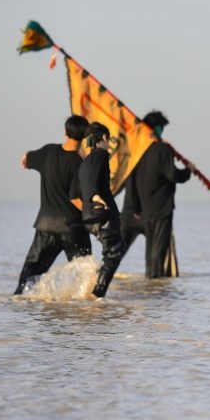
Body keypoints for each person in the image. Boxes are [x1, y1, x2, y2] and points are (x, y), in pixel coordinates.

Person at [14, 115, 91, 295]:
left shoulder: (48, 152)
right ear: (85, 136)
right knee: (85, 277)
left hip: (46, 227)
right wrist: (95, 215)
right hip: (73, 229)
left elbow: (26, 159)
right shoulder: (81, 163)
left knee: (28, 278)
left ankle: (19, 306)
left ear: (65, 132)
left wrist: (27, 158)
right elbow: (76, 200)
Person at [119, 110, 195, 279]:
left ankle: (99, 282)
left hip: (133, 210)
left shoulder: (135, 150)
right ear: (156, 128)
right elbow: (173, 175)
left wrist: (135, 208)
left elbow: (129, 179)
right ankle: (155, 289)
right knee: (156, 255)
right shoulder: (162, 149)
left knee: (117, 252)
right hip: (159, 211)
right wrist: (188, 170)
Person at [79, 122, 126, 298]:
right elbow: (92, 181)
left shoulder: (86, 160)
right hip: (101, 213)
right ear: (105, 137)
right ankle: (96, 295)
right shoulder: (100, 155)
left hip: (89, 215)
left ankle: (92, 287)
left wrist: (91, 199)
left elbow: (78, 188)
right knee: (114, 252)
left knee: (113, 251)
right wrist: (95, 196)